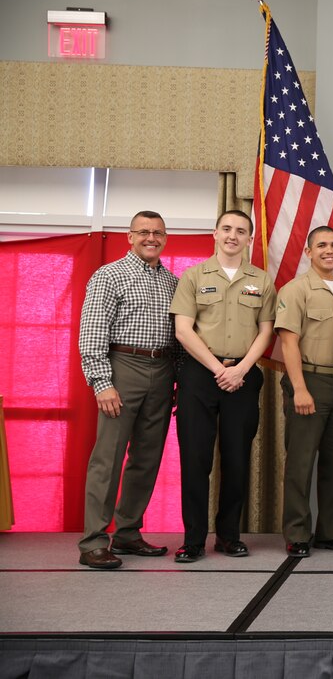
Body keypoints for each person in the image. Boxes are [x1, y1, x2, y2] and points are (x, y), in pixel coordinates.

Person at [170, 210, 276, 562]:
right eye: (227, 229)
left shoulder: (261, 280)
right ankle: (194, 540)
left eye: (241, 231)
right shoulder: (193, 276)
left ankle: (229, 536)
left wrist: (242, 368)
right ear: (215, 233)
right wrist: (219, 369)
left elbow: (266, 330)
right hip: (201, 375)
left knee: (236, 458)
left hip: (243, 376)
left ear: (249, 238)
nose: (233, 235)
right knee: (196, 460)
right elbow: (183, 329)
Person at [76, 212, 179, 569]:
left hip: (163, 370)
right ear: (130, 237)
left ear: (165, 238)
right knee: (108, 457)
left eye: (158, 233)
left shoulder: (172, 282)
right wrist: (102, 383)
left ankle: (128, 533)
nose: (151, 238)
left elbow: (179, 335)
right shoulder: (109, 275)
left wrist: (177, 379)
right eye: (144, 232)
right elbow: (91, 332)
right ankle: (93, 542)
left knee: (147, 458)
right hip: (123, 368)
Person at [274, 226, 333, 558]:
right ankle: (296, 532)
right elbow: (288, 343)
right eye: (321, 245)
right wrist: (299, 389)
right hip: (306, 381)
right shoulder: (294, 290)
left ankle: (331, 531)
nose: (329, 250)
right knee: (300, 462)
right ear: (308, 252)